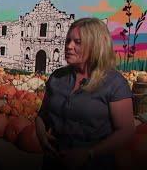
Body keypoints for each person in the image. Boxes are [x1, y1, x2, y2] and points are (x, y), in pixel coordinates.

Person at [35, 17, 135, 170]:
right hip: (53, 161)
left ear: (96, 46)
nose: (68, 46)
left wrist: (90, 153)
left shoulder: (114, 83)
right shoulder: (57, 77)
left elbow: (126, 131)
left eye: (77, 42)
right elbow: (42, 116)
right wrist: (41, 134)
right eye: (68, 40)